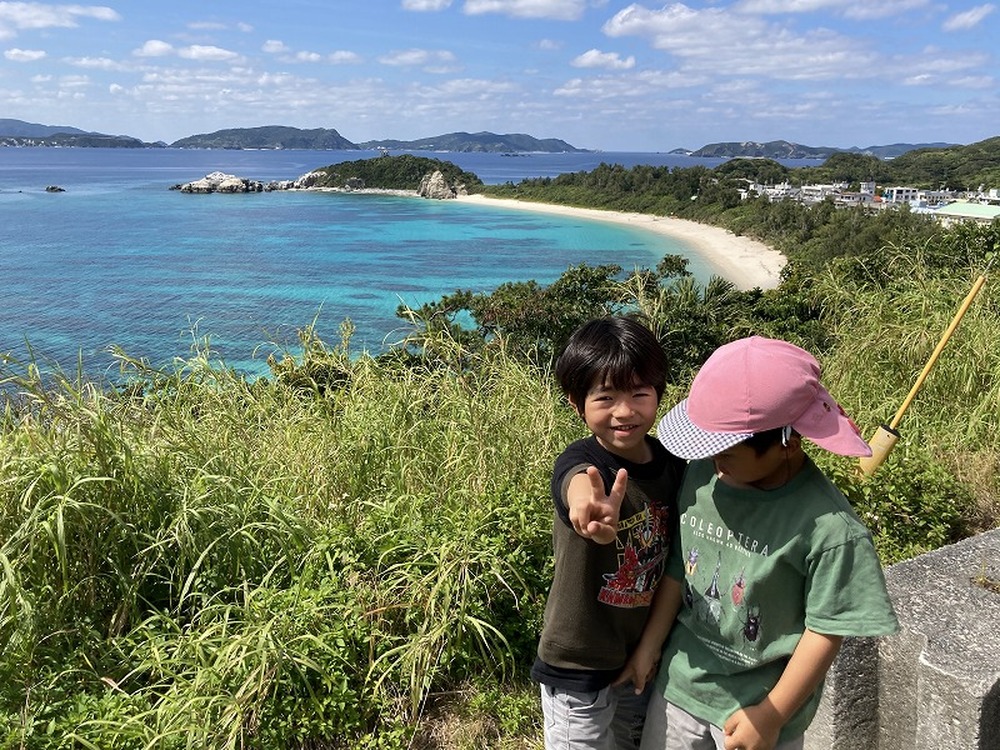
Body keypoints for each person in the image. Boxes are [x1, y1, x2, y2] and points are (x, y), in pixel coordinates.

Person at [626, 336, 899, 750]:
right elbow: (681, 567)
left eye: (726, 453)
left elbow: (825, 631)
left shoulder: (830, 530)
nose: (714, 463)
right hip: (680, 686)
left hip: (760, 709)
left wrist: (772, 715)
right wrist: (649, 646)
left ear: (787, 442)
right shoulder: (702, 476)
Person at [531, 316, 686, 750]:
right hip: (577, 663)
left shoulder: (673, 466)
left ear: (658, 393)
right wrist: (589, 512)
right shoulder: (582, 462)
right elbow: (575, 485)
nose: (624, 411)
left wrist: (649, 649)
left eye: (639, 393)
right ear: (576, 404)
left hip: (641, 653)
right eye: (605, 397)